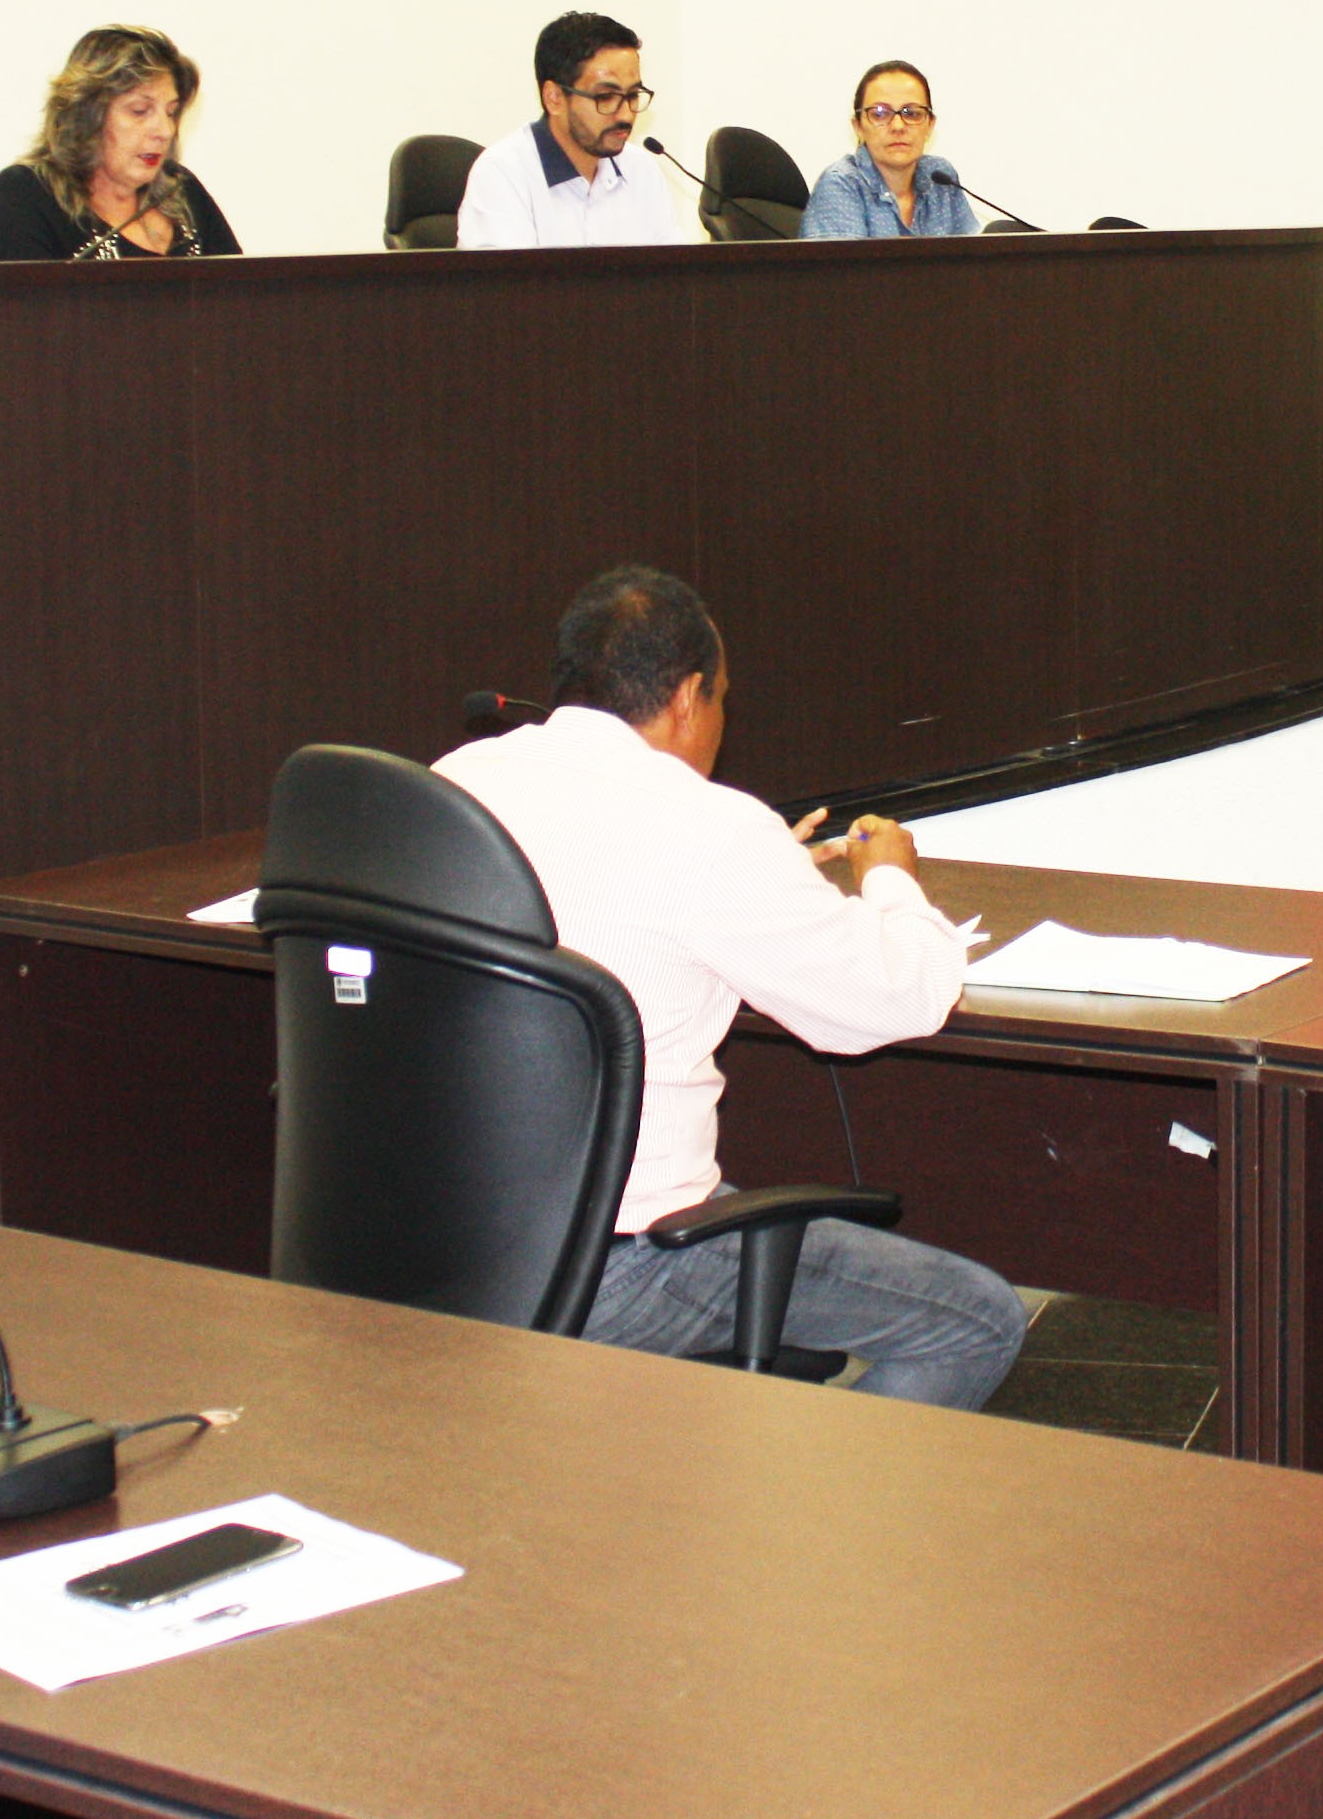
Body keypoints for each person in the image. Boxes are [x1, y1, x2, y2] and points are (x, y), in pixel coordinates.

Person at [435, 568, 1025, 1405]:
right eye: (721, 700)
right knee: (976, 1321)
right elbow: (901, 998)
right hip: (616, 1264)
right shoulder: (709, 829)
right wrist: (889, 879)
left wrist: (765, 877)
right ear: (687, 697)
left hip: (439, 1239)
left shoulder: (456, 781)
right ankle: (794, 1502)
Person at [0, 24, 239, 260]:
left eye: (171, 112)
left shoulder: (181, 190)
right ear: (86, 115)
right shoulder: (27, 195)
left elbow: (244, 290)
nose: (164, 130)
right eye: (139, 111)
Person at [458, 11, 695, 249]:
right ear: (554, 98)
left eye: (633, 95)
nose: (625, 115)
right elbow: (510, 274)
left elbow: (671, 270)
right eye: (606, 97)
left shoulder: (641, 169)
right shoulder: (503, 174)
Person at [799, 60, 981, 240]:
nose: (898, 126)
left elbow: (973, 255)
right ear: (858, 127)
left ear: (930, 126)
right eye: (879, 114)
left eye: (912, 113)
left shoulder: (940, 178)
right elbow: (846, 261)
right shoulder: (840, 184)